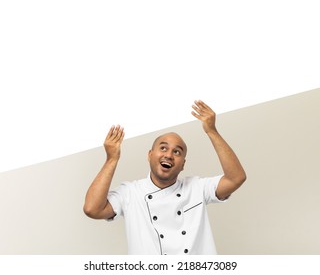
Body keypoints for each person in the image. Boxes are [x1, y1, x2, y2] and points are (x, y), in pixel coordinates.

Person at [83, 100, 246, 255]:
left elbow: (236, 178)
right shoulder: (130, 193)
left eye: (177, 152)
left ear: (183, 164)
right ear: (150, 155)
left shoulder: (197, 187)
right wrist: (111, 159)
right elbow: (92, 209)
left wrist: (212, 131)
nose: (169, 155)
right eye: (163, 148)